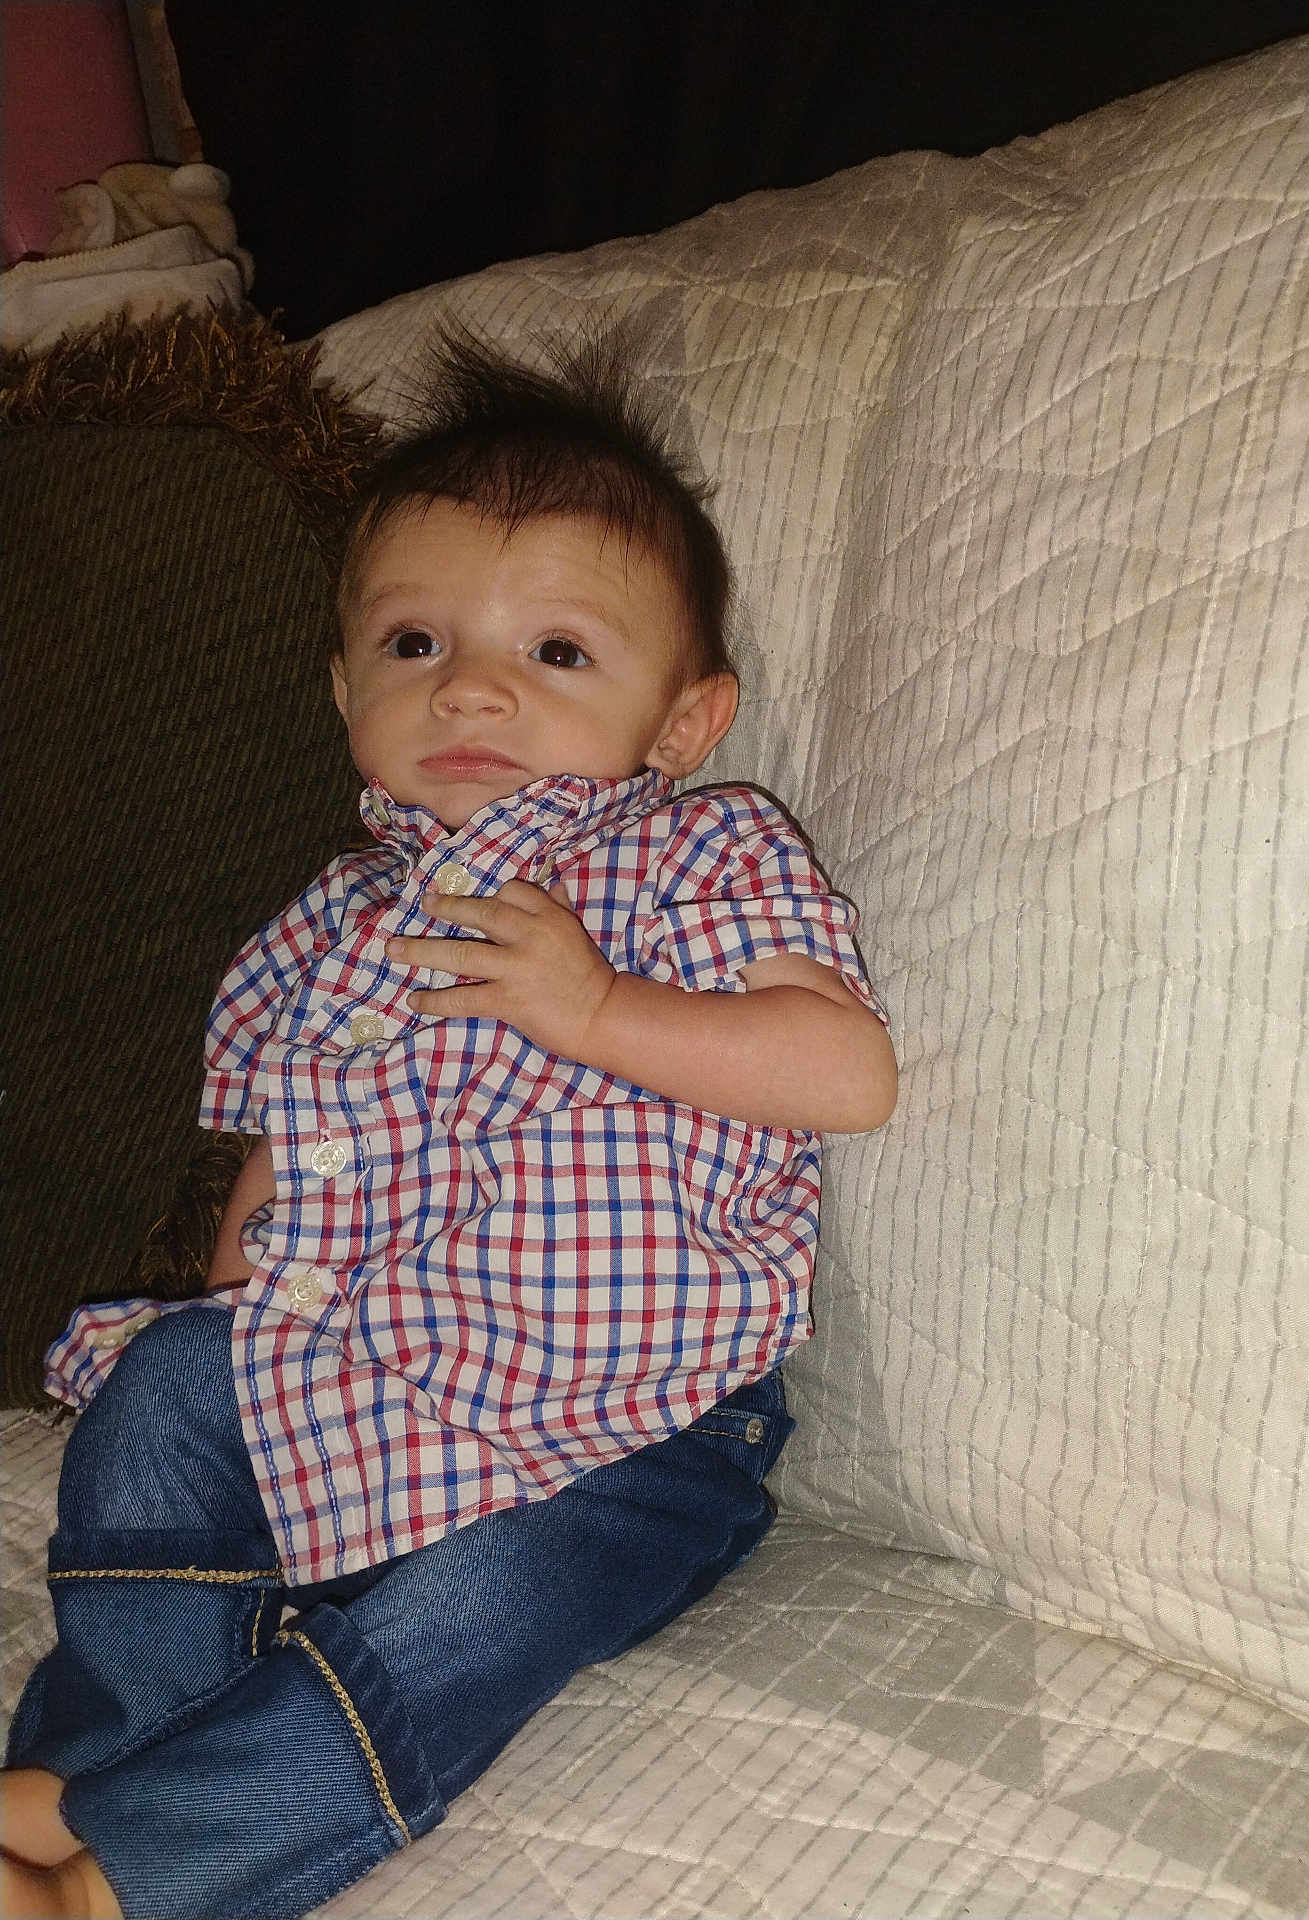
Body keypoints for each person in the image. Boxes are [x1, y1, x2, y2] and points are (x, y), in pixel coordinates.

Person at [1, 332, 896, 1920]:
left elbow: (843, 1076)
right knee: (164, 1384)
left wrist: (596, 1010)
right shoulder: (319, 925)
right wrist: (231, 1319)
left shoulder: (699, 854)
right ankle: (97, 1746)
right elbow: (270, 1163)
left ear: (684, 722)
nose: (470, 684)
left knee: (476, 1618)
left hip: (629, 1427)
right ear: (345, 685)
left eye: (556, 652)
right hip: (361, 1370)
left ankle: (128, 1877)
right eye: (414, 640)